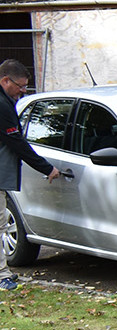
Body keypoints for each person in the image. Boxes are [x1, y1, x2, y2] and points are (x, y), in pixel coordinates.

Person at [0, 60, 61, 290]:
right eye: (21, 86)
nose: (23, 91)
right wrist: (46, 168)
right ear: (6, 80)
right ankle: (2, 275)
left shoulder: (6, 102)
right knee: (0, 227)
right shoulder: (2, 106)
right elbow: (17, 142)